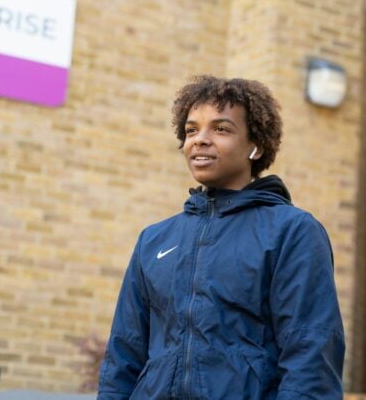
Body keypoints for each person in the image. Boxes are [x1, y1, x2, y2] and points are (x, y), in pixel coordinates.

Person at [97, 75, 345, 399]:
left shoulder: (292, 232)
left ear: (255, 146)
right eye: (191, 130)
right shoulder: (154, 240)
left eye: (221, 128)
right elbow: (123, 356)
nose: (200, 140)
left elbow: (311, 357)